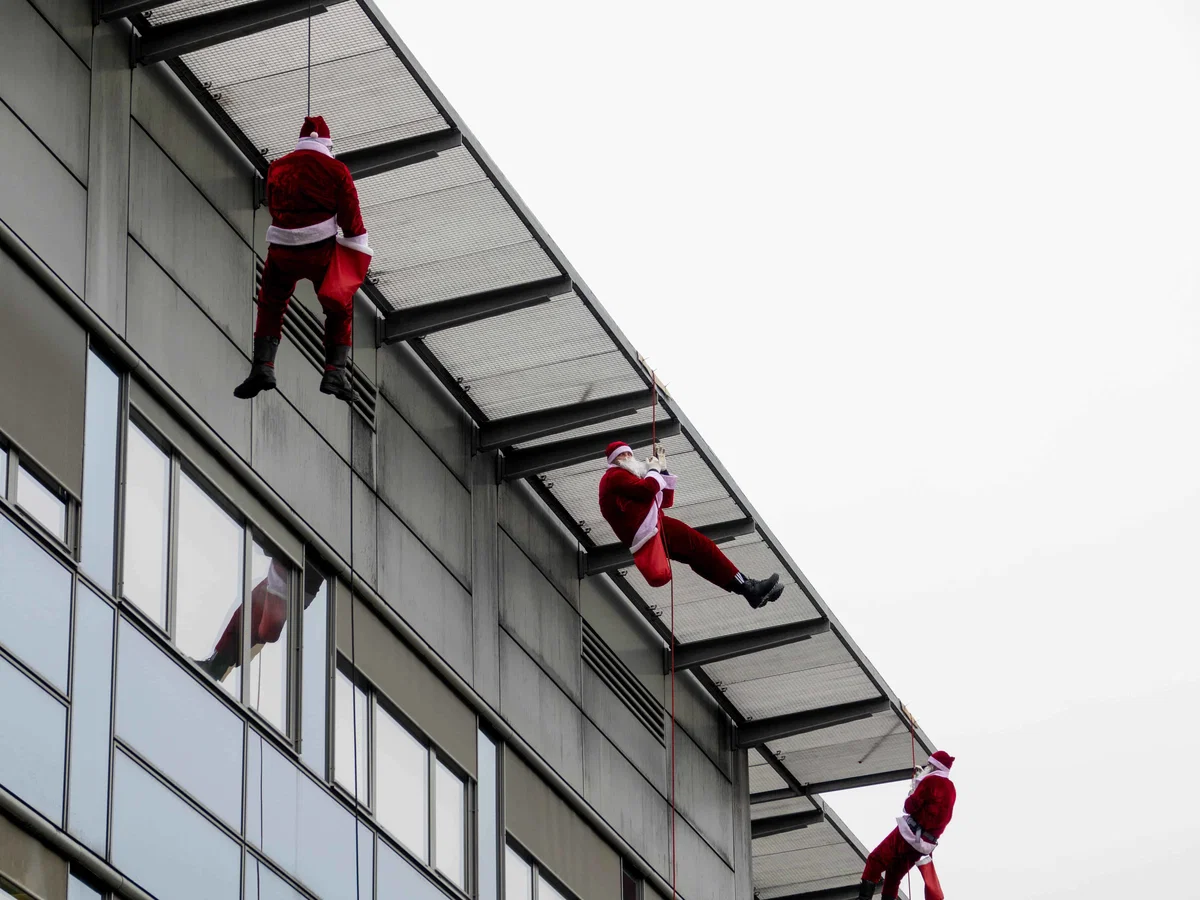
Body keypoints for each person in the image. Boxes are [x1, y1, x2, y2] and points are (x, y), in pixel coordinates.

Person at [234, 115, 372, 403]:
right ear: (327, 143)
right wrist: (354, 243)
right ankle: (335, 372)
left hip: (282, 249)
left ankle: (263, 366)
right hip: (321, 250)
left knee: (271, 303)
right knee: (338, 307)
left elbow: (273, 205)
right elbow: (350, 216)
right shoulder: (336, 170)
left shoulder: (277, 167)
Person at [598, 440, 785, 607]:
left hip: (652, 527)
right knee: (703, 548)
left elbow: (664, 500)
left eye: (629, 453)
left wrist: (662, 470)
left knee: (698, 557)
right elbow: (648, 490)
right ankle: (748, 587)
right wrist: (654, 470)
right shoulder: (614, 475)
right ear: (614, 460)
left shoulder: (625, 478)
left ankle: (747, 589)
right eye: (623, 454)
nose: (628, 456)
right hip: (651, 527)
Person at [858, 751, 957, 900]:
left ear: (935, 765)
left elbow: (909, 807)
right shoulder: (951, 789)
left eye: (930, 764)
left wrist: (913, 791)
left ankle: (864, 898)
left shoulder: (930, 782)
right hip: (924, 844)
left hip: (909, 834)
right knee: (894, 874)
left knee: (876, 859)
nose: (927, 766)